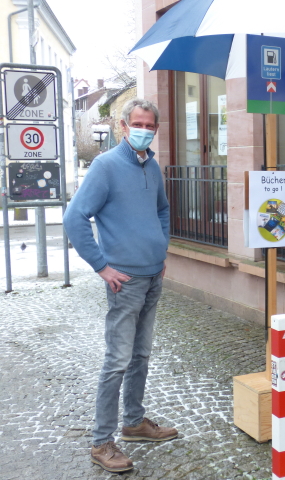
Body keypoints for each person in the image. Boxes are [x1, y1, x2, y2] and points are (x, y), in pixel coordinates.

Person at [63, 99, 177, 473]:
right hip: (123, 282)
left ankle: (134, 423)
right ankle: (100, 442)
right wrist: (102, 267)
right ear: (124, 126)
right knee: (117, 361)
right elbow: (75, 217)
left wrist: (161, 250)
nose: (144, 129)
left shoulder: (152, 167)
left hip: (151, 276)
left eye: (150, 124)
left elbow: (161, 210)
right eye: (138, 123)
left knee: (141, 356)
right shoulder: (106, 166)